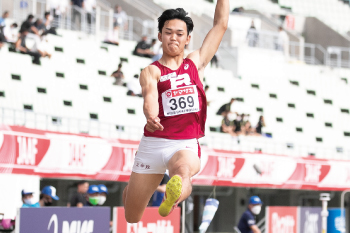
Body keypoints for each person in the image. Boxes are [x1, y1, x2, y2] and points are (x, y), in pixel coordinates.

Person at [123, 1, 229, 223]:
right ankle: (130, 192)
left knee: (183, 171)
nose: (174, 38)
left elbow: (220, 24)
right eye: (168, 32)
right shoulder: (152, 71)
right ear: (160, 36)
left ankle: (173, 197)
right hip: (154, 143)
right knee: (132, 215)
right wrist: (151, 116)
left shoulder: (195, 63)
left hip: (185, 142)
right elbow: (150, 96)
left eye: (180, 33)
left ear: (188, 38)